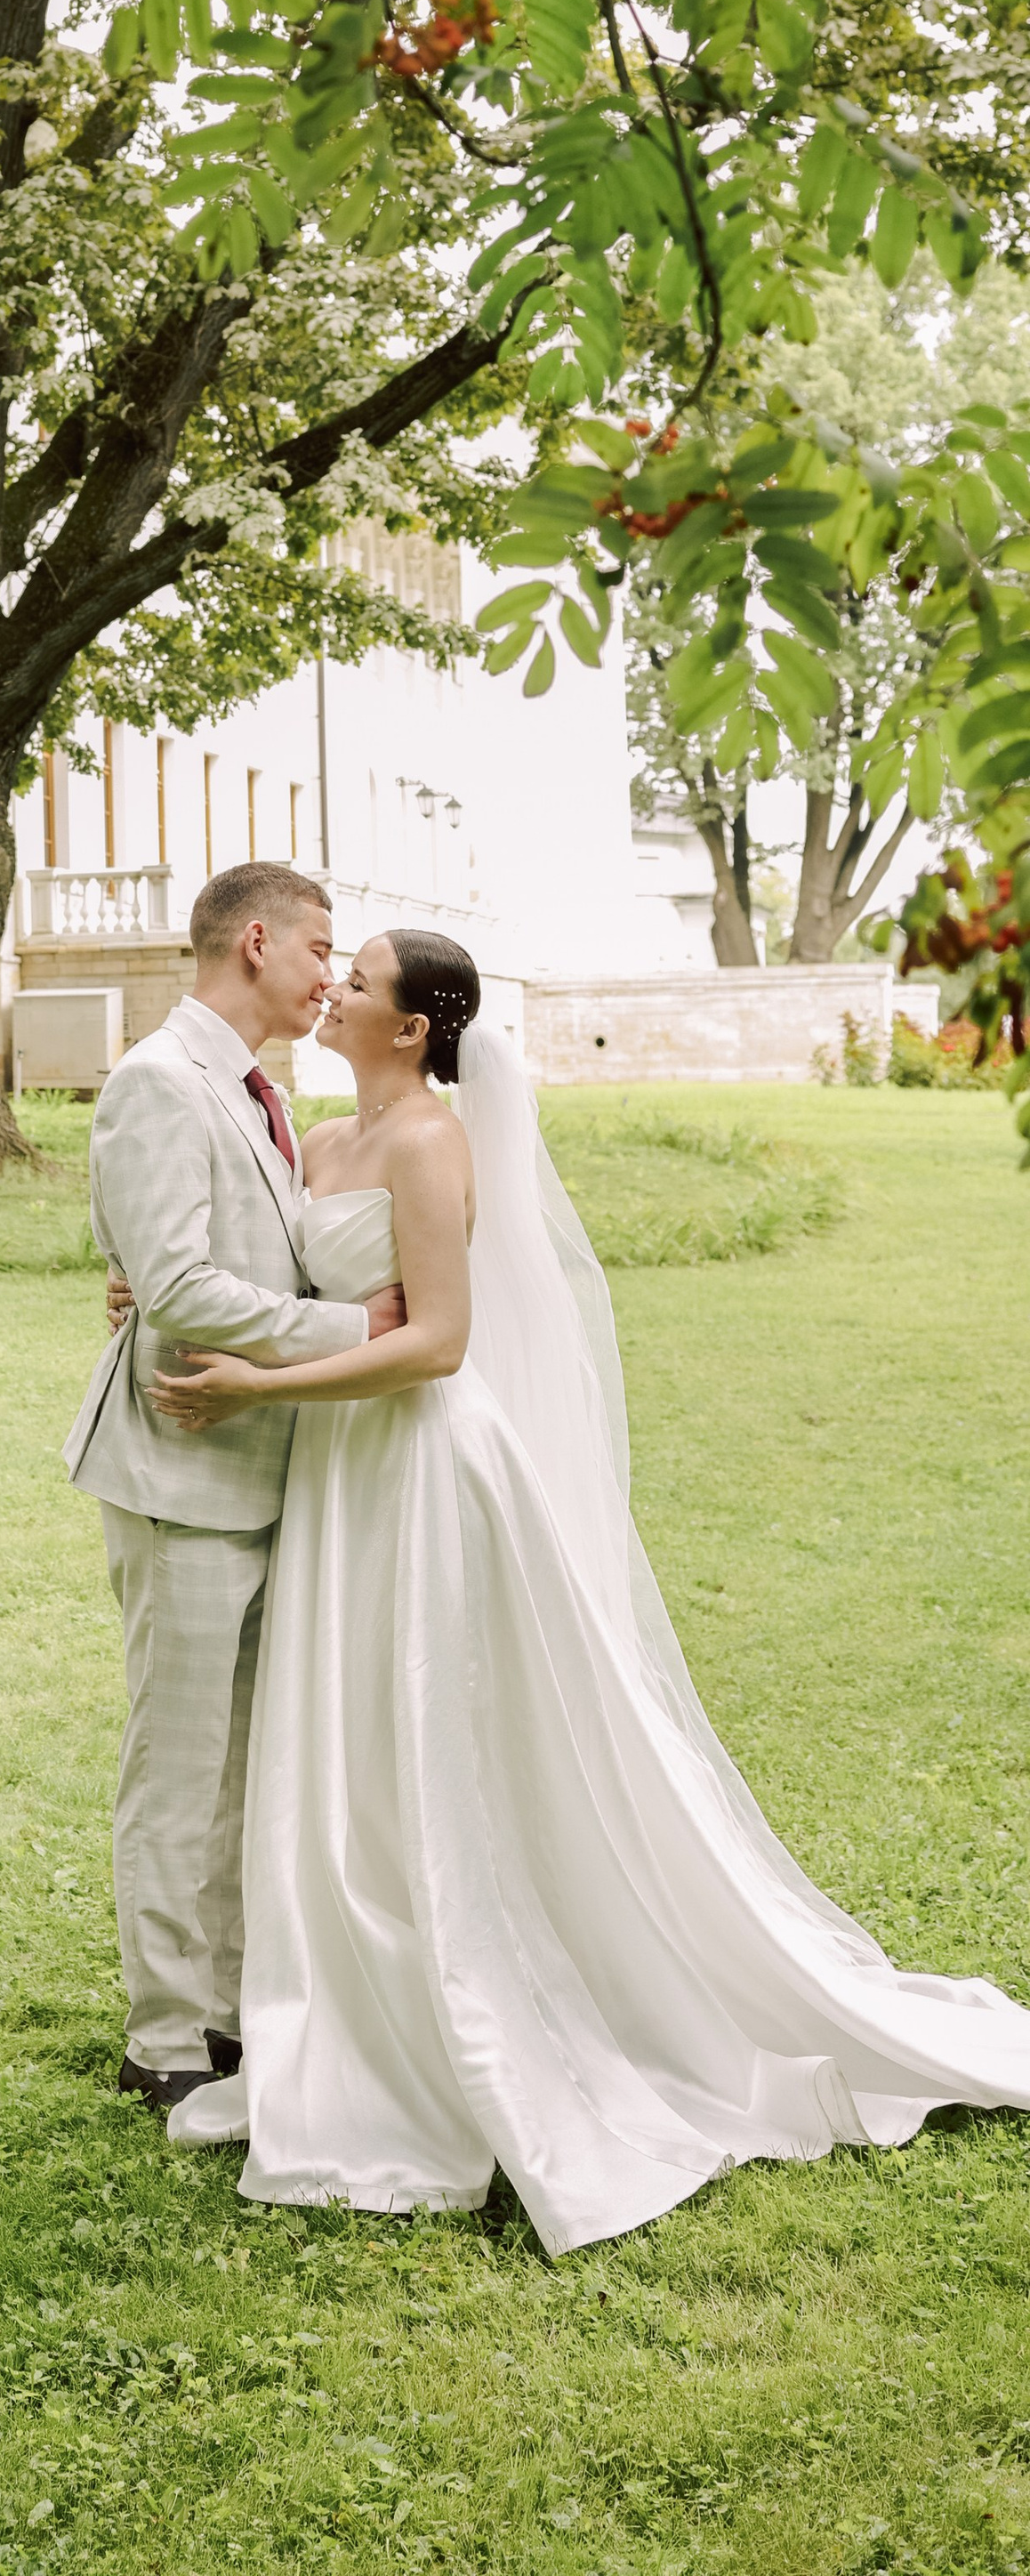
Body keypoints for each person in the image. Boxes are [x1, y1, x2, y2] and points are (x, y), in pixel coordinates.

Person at [141, 927, 1030, 2254]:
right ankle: (344, 1982)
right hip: (337, 1473)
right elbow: (272, 1276)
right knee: (348, 1741)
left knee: (435, 1733)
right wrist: (151, 1291)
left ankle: (470, 1994)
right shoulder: (319, 1142)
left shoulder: (434, 1145)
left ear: (412, 1030)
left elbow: (439, 1345)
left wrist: (259, 1389)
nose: (336, 988)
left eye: (362, 980)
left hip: (419, 1469)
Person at [63, 861, 406, 2111]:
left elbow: (189, 1260)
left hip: (271, 1468)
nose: (330, 977)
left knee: (244, 1767)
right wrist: (358, 1332)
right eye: (322, 951)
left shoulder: (261, 1092)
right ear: (256, 942)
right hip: (181, 1467)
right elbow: (178, 1288)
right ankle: (164, 2040)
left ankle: (225, 2014)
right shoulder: (161, 1081)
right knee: (181, 1762)